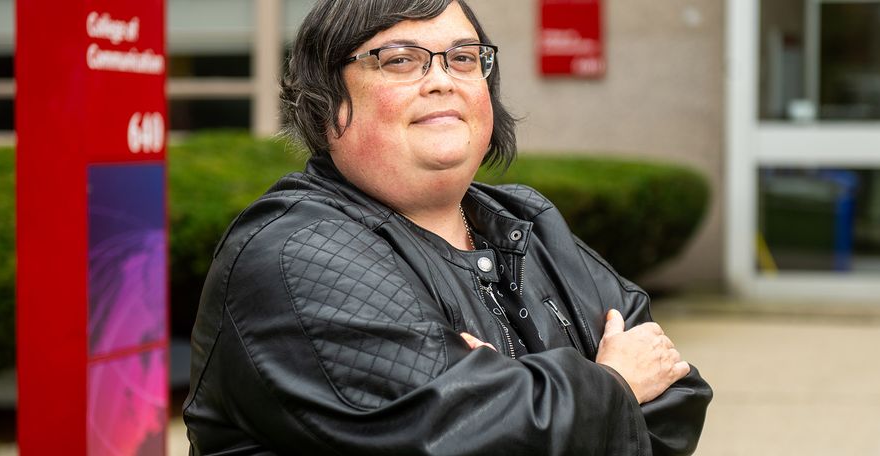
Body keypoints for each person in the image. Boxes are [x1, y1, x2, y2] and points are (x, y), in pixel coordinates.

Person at [183, 0, 712, 454]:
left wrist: (518, 394)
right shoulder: (292, 253)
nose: (441, 80)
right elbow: (458, 440)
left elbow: (679, 397)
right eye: (399, 60)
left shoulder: (528, 222)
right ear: (327, 104)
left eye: (462, 58)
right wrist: (616, 383)